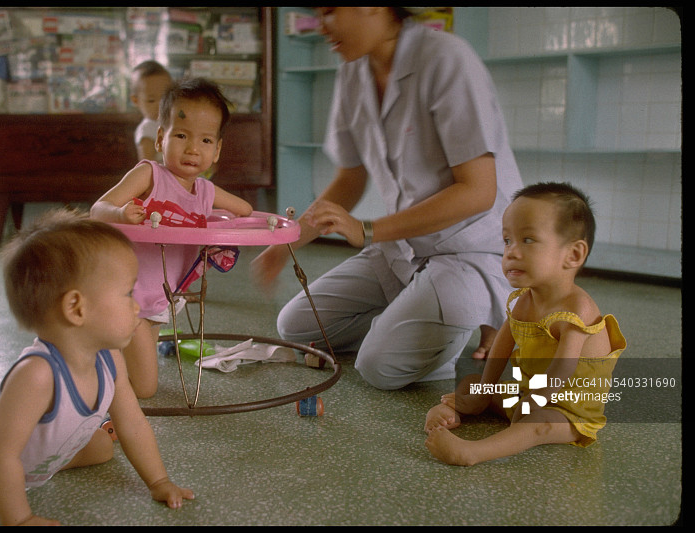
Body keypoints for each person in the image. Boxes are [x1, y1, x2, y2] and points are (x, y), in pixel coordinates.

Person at [251, 7, 523, 390]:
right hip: (406, 246)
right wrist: (287, 244)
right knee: (297, 327)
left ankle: (476, 320)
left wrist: (369, 228)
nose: (321, 25)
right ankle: (419, 324)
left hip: (469, 248)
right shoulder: (353, 71)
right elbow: (350, 178)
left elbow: (478, 191)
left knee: (380, 367)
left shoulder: (446, 58)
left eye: (329, 11)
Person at [0, 209, 194, 525]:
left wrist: (158, 482)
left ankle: (40, 464)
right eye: (127, 293)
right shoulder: (37, 375)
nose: (137, 306)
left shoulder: (110, 359)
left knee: (103, 446)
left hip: (27, 461)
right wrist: (20, 518)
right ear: (76, 308)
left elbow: (132, 424)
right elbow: (1, 455)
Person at [424, 182, 627, 466]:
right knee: (473, 384)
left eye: (528, 240)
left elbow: (563, 368)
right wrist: (486, 389)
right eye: (507, 240)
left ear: (573, 255)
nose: (512, 252)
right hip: (526, 392)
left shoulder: (577, 309)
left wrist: (534, 402)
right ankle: (450, 412)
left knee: (537, 425)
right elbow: (501, 346)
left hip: (567, 411)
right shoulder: (524, 300)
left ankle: (472, 452)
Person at [91, 77, 253, 398]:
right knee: (146, 388)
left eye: (206, 141)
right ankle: (96, 362)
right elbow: (98, 208)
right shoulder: (149, 175)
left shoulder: (205, 190)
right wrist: (121, 214)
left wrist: (221, 225)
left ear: (217, 150)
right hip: (131, 295)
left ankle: (109, 351)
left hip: (162, 297)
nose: (193, 149)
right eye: (181, 136)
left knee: (142, 361)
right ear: (160, 138)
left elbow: (246, 210)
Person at [130, 60, 173, 162]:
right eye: (151, 100)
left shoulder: (173, 121)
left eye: (165, 97)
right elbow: (146, 164)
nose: (160, 105)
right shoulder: (147, 130)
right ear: (136, 101)